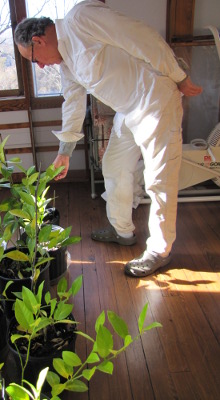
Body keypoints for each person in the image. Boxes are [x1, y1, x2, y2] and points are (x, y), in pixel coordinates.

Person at [14, 0, 202, 277]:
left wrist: (178, 75)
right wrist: (65, 150)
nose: (39, 66)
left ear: (38, 40)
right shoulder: (66, 64)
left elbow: (141, 36)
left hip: (155, 99)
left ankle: (159, 250)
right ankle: (122, 230)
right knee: (113, 165)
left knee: (159, 178)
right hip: (128, 111)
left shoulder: (82, 18)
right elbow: (73, 102)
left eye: (33, 59)